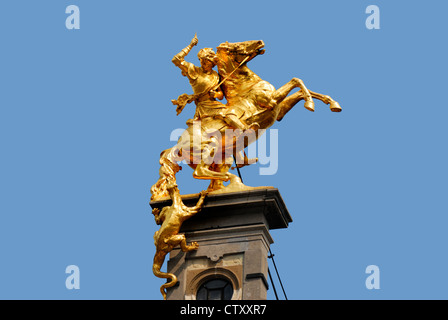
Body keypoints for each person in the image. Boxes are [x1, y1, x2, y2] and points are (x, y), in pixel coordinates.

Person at [171, 34, 250, 130]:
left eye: (206, 61)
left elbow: (221, 95)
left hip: (214, 104)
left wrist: (215, 95)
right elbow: (176, 60)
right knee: (226, 115)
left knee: (232, 113)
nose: (202, 63)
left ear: (212, 62)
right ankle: (245, 130)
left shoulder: (215, 75)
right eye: (201, 60)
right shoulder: (194, 71)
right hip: (204, 107)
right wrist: (191, 45)